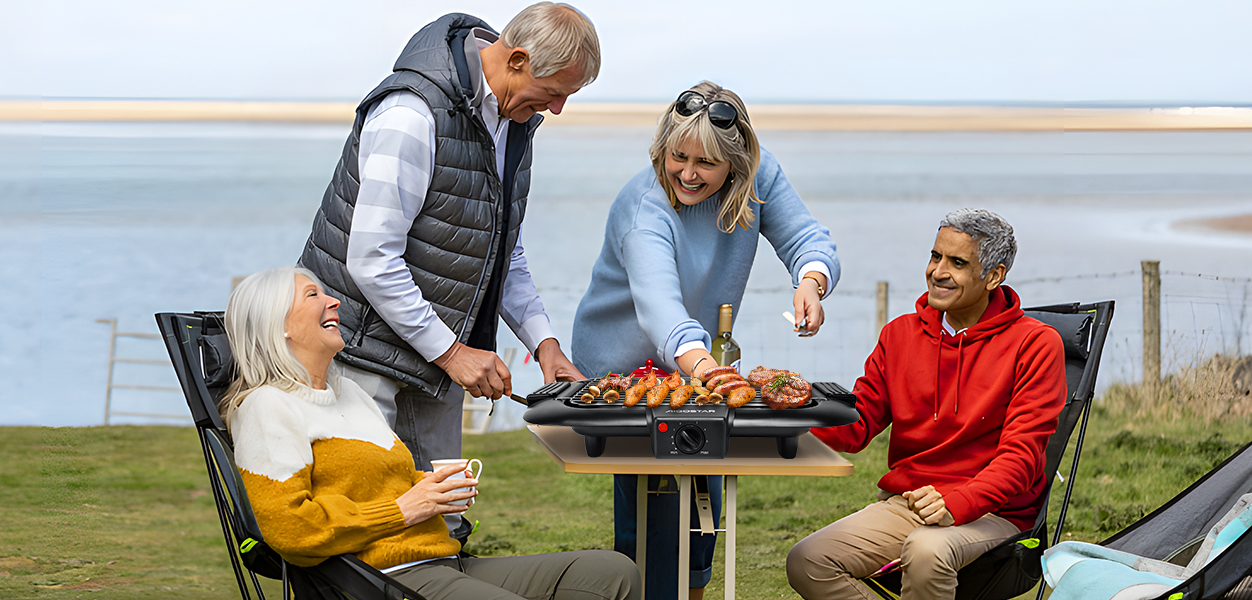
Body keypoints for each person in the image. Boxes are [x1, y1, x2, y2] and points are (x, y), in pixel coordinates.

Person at [298, 2, 596, 497]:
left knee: (445, 514)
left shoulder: (514, 119)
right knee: (369, 515)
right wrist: (455, 353)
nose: (558, 109)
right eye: (553, 93)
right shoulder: (410, 114)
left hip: (433, 354)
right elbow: (372, 261)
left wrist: (544, 345)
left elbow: (503, 250)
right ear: (518, 60)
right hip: (360, 351)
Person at [570, 81, 840, 600]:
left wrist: (811, 281)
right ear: (662, 150)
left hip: (693, 371)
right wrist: (709, 371)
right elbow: (660, 310)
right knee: (653, 506)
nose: (688, 174)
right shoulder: (645, 206)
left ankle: (691, 589)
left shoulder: (760, 177)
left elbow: (806, 237)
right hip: (625, 371)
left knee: (705, 503)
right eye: (678, 157)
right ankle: (644, 589)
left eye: (706, 163)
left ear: (736, 164)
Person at [222, 266, 640, 600]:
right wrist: (405, 510)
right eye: (313, 296)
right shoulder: (266, 407)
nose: (334, 301)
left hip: (441, 562)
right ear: (279, 326)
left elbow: (385, 485)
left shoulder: (347, 392)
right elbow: (292, 530)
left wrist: (432, 488)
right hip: (382, 581)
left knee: (612, 574)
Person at [786, 209, 1066, 600]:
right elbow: (857, 423)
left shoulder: (1036, 344)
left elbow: (1020, 460)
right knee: (809, 560)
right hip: (910, 504)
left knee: (927, 550)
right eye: (935, 257)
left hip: (993, 512)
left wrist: (958, 502)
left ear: (994, 276)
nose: (938, 271)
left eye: (957, 262)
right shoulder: (900, 334)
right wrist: (787, 409)